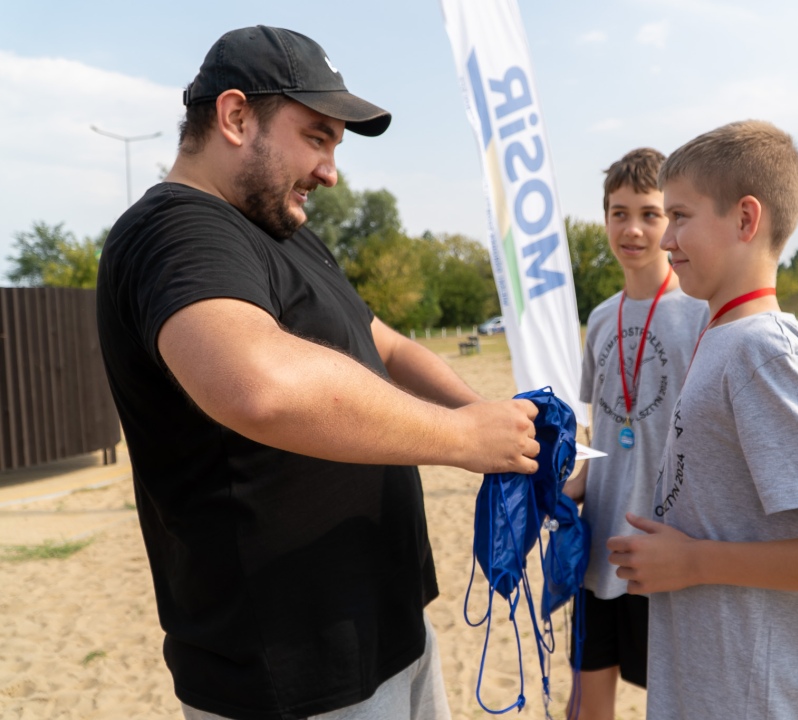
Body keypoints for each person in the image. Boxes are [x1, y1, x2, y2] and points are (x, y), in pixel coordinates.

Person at [96, 26, 540, 720]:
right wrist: (461, 440)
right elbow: (258, 384)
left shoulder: (281, 231)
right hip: (290, 672)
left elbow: (386, 346)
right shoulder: (176, 231)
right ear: (236, 117)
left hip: (384, 633)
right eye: (317, 136)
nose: (331, 170)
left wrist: (503, 433)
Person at [606, 120, 798, 719]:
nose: (667, 240)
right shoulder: (720, 335)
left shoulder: (760, 353)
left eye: (681, 217)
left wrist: (695, 562)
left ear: (747, 219)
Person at [562, 148, 707, 720]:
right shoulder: (599, 319)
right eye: (618, 213)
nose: (633, 229)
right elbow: (605, 426)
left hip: (664, 549)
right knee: (587, 701)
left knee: (673, 705)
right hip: (600, 547)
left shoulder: (698, 314)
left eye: (650, 213)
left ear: (670, 219)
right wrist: (570, 487)